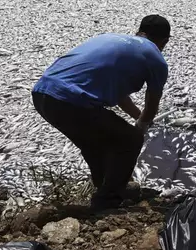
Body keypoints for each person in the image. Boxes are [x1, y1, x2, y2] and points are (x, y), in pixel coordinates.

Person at [32, 15, 171, 211]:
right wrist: (141, 126)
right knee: (129, 140)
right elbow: (152, 103)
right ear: (165, 41)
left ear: (139, 32)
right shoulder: (156, 58)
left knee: (94, 143)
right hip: (71, 101)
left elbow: (122, 98)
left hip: (42, 94)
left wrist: (137, 117)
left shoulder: (112, 39)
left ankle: (106, 188)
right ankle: (107, 203)